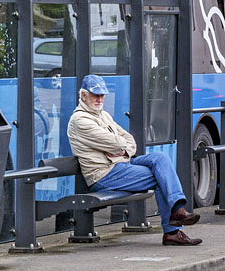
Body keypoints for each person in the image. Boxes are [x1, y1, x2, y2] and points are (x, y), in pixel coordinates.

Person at [67, 74, 201, 246]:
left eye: (102, 95)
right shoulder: (80, 120)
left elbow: (130, 141)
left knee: (160, 158)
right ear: (84, 96)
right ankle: (173, 227)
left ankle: (177, 212)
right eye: (95, 95)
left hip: (121, 164)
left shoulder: (103, 116)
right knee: (161, 177)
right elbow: (116, 142)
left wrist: (121, 148)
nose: (99, 99)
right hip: (103, 175)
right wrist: (119, 146)